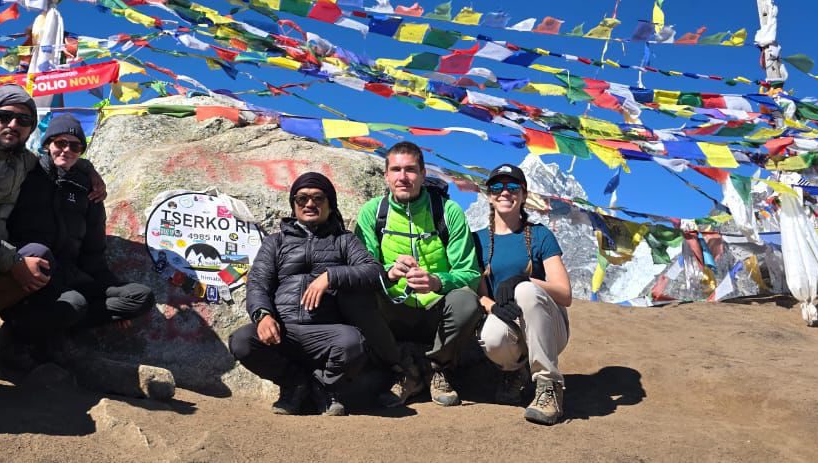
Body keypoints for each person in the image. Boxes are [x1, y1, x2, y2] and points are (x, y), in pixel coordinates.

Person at [0, 86, 105, 368]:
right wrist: (14, 260)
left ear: (31, 130)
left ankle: (12, 333)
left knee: (41, 257)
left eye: (24, 120)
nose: (13, 125)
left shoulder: (20, 159)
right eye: (5, 116)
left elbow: (61, 155)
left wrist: (89, 170)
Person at [228, 172, 386, 416]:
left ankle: (324, 387)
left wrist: (331, 277)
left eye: (318, 198)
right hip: (283, 330)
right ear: (293, 205)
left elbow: (374, 272)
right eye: (302, 199)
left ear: (330, 204)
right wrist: (263, 315)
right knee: (242, 342)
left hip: (326, 331)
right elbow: (258, 282)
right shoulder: (275, 242)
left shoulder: (344, 241)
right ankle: (295, 384)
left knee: (353, 343)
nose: (310, 204)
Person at [3, 113, 154, 360]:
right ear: (47, 144)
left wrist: (113, 305)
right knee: (74, 303)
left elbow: (94, 250)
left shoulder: (87, 188)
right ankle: (19, 335)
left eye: (75, 146)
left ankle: (62, 325)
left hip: (74, 274)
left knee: (139, 297)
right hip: (32, 274)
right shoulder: (26, 174)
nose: (66, 150)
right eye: (60, 143)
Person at [355, 141, 482, 407]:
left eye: (411, 170)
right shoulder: (372, 213)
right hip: (391, 309)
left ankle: (437, 368)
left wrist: (438, 281)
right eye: (396, 170)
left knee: (467, 301)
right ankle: (406, 371)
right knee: (356, 297)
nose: (403, 177)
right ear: (386, 175)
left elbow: (470, 273)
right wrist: (388, 273)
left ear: (424, 174)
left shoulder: (448, 212)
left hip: (437, 310)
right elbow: (361, 267)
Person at [476, 163, 572, 425]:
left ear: (524, 194)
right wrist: (492, 307)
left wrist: (524, 279)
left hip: (549, 327)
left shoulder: (541, 235)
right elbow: (480, 294)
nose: (504, 192)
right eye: (497, 187)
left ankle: (549, 385)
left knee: (527, 290)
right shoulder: (478, 240)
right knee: (491, 336)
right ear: (489, 195)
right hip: (509, 322)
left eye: (512, 187)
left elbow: (565, 294)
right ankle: (513, 372)